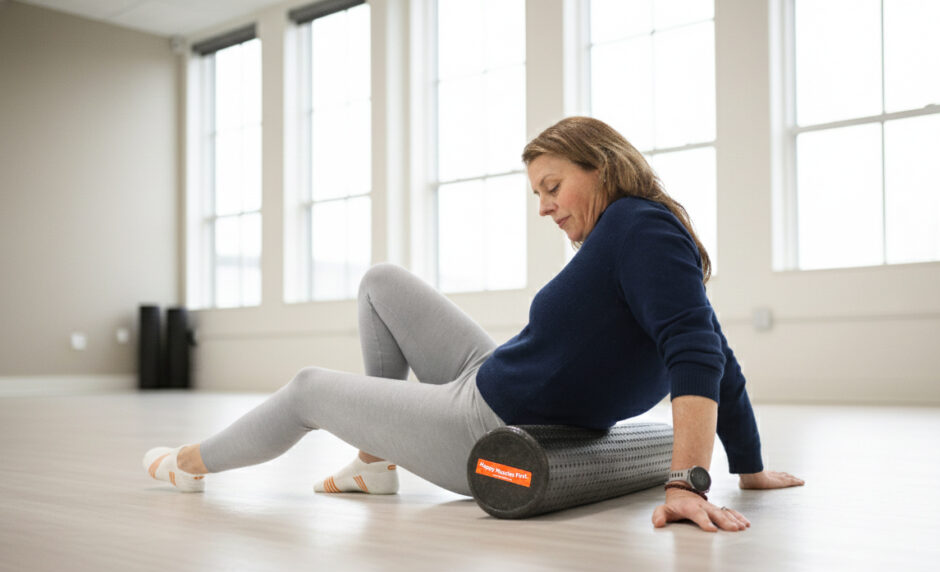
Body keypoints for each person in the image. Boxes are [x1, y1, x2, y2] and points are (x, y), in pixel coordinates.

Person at [144, 116, 803, 531]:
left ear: (600, 166)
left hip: (482, 424)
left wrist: (689, 482)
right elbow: (720, 351)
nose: (544, 207)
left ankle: (188, 463)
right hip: (488, 374)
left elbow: (700, 355)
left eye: (552, 186)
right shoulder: (638, 238)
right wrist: (748, 463)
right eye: (536, 194)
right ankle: (376, 461)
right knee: (381, 281)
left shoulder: (640, 227)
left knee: (309, 387)